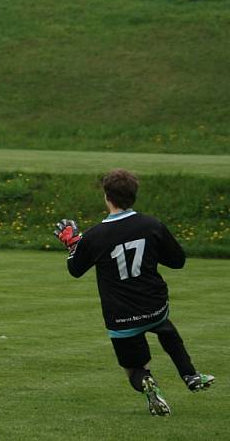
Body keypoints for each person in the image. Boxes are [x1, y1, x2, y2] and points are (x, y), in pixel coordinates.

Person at [54, 169, 214, 417]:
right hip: (154, 304)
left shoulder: (95, 236)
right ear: (133, 196)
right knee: (166, 330)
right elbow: (178, 261)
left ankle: (147, 383)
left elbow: (75, 270)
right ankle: (191, 375)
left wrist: (73, 244)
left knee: (134, 368)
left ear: (107, 196)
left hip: (120, 315)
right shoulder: (151, 225)